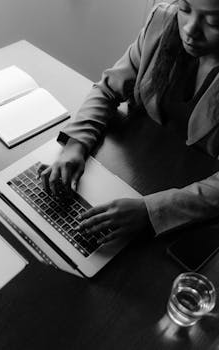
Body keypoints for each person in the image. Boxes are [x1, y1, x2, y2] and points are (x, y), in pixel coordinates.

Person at [39, 0, 219, 244]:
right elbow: (108, 89)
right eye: (185, 9)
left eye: (213, 21)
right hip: (136, 172)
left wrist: (151, 211)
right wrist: (75, 144)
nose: (189, 29)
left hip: (189, 211)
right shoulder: (162, 21)